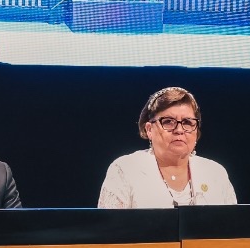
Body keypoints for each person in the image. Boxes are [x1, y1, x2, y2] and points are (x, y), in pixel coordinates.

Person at [98, 86, 236, 208]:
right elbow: (109, 227)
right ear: (149, 129)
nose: (179, 130)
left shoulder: (216, 173)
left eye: (187, 122)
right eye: (168, 122)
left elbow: (233, 226)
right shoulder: (125, 169)